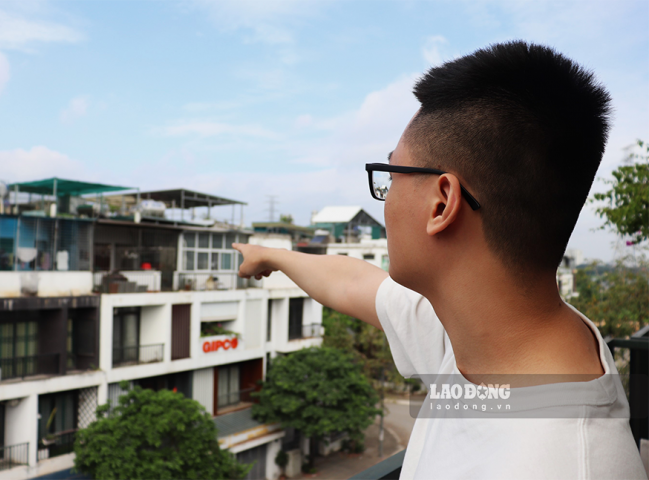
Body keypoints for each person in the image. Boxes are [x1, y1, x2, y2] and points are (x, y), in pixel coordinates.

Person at [234, 41, 648, 479]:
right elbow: (355, 283)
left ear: (441, 203)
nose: (386, 199)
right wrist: (272, 255)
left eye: (392, 176)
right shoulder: (482, 331)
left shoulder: (563, 463)